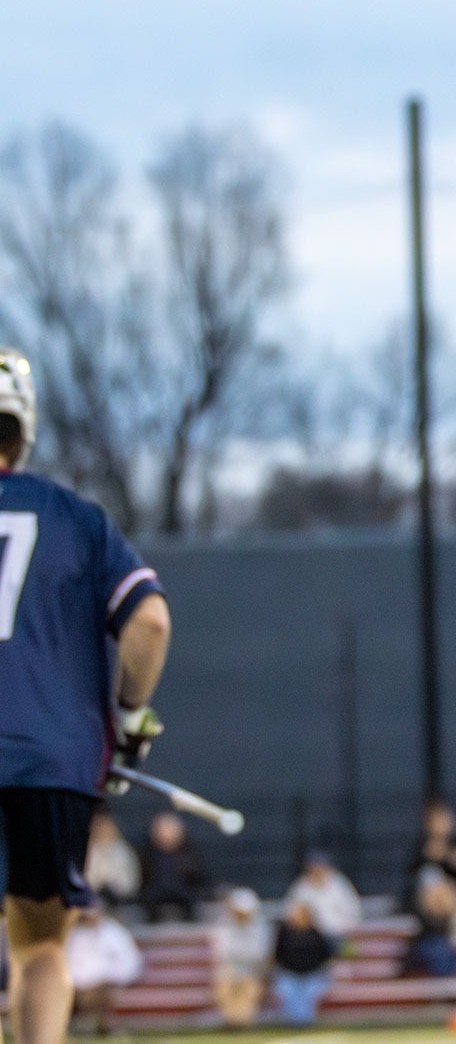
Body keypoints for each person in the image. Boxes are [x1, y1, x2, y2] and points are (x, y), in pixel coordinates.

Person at [0, 348, 172, 1044]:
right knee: (40, 947)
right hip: (51, 762)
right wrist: (130, 718)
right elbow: (150, 622)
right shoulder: (75, 518)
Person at [65, 906, 142, 1035]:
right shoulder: (73, 935)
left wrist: (108, 978)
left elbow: (129, 960)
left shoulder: (114, 932)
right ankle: (101, 1021)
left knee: (102, 991)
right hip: (79, 986)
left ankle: (90, 1020)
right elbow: (68, 964)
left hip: (108, 982)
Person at [210, 888, 272, 1028]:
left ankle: (241, 1025)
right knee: (227, 1002)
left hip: (251, 972)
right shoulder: (223, 924)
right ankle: (231, 1024)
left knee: (246, 1009)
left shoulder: (260, 926)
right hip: (228, 971)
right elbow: (223, 952)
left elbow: (259, 953)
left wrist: (242, 957)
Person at [271, 901, 334, 1027]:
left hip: (311, 974)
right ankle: (293, 1023)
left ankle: (305, 1023)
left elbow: (326, 956)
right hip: (289, 973)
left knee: (309, 993)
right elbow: (277, 955)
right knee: (288, 991)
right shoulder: (285, 933)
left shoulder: (316, 934)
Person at [139, 811, 208, 923]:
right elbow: (142, 879)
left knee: (190, 902)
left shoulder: (188, 854)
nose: (166, 834)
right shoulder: (147, 854)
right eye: (163, 829)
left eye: (170, 830)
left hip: (181, 892)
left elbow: (198, 878)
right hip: (156, 892)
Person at [284, 851, 362, 942]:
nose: (317, 870)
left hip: (339, 934)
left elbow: (354, 912)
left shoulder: (339, 884)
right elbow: (290, 913)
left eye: (320, 866)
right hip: (311, 937)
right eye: (313, 867)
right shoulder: (301, 886)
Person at [83, 811, 142, 909]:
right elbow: (85, 879)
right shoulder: (88, 851)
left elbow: (131, 882)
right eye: (100, 828)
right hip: (92, 899)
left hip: (120, 900)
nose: (104, 831)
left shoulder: (124, 851)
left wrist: (113, 884)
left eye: (107, 828)